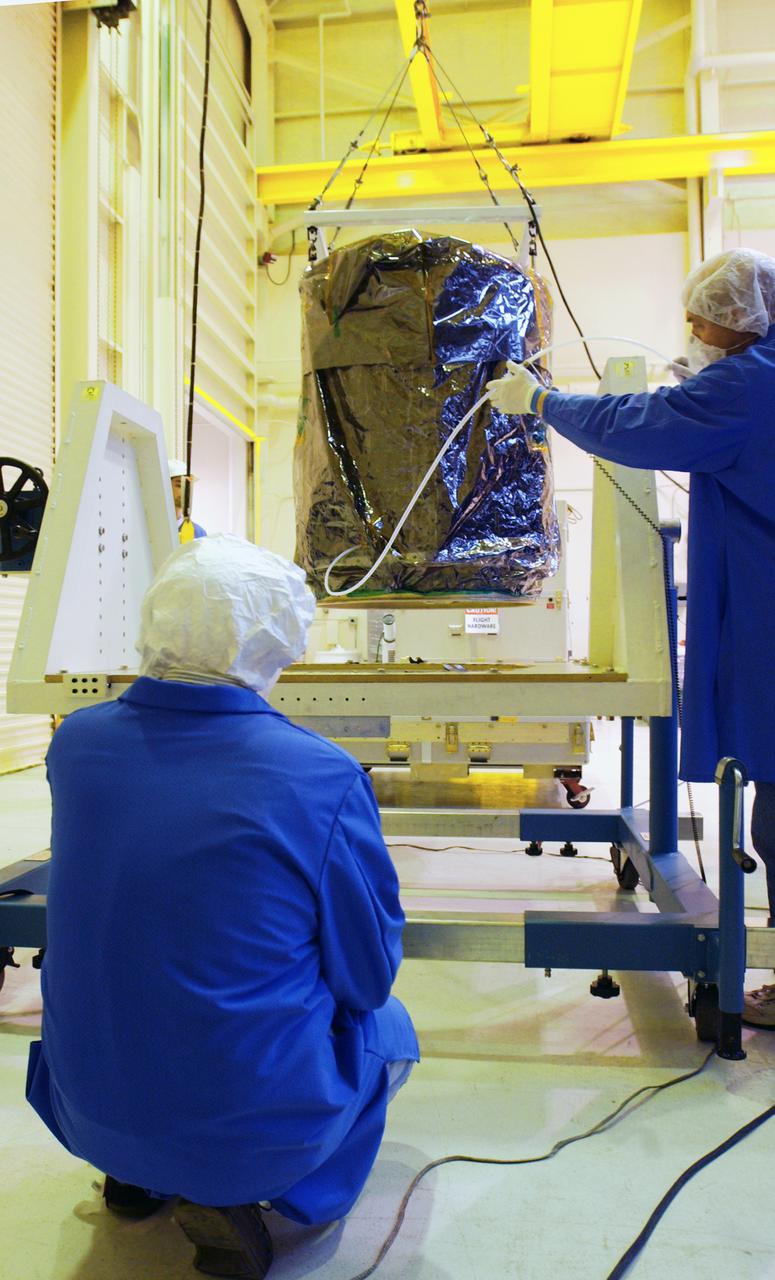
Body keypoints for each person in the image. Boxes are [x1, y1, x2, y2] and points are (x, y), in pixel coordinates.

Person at [26, 535, 419, 1279]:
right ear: (275, 642)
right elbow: (365, 978)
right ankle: (238, 1193)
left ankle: (135, 1173)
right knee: (388, 1029)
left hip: (80, 1108)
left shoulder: (75, 744)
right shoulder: (317, 773)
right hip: (243, 1136)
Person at [488, 247, 775, 1028]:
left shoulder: (747, 385)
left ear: (744, 319)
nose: (689, 324)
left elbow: (643, 424)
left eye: (705, 314)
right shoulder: (750, 379)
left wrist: (542, 401)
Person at [169, 457, 207, 540]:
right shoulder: (149, 529)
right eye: (179, 485)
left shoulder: (199, 534)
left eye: (188, 486)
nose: (185, 491)